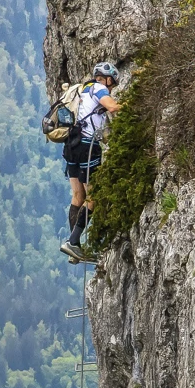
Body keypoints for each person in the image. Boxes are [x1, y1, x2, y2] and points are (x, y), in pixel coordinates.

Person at [60, 62, 122, 263]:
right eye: (112, 84)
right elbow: (111, 107)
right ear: (108, 79)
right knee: (93, 197)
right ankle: (73, 242)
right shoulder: (99, 88)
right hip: (87, 146)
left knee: (78, 195)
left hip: (71, 144)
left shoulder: (83, 89)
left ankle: (73, 247)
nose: (111, 89)